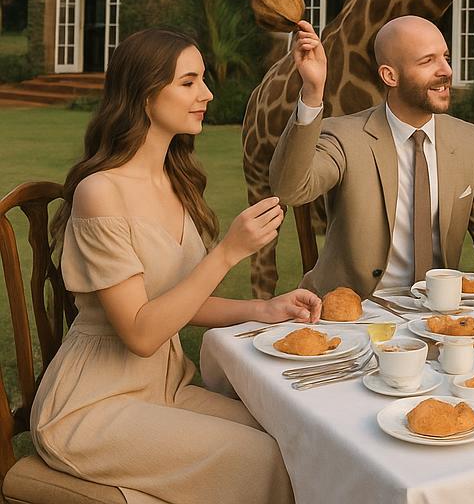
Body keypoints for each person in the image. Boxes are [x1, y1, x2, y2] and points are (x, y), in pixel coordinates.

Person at [31, 28, 318, 504]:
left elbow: (174, 302)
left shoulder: (175, 180)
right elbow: (142, 333)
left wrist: (263, 309)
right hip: (94, 405)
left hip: (167, 385)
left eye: (202, 80)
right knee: (261, 458)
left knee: (292, 436)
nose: (206, 94)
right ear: (145, 95)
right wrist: (229, 252)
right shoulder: (101, 192)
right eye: (188, 82)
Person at [270, 16, 474, 295]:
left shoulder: (470, 141)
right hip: (354, 315)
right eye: (427, 61)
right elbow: (290, 190)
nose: (446, 70)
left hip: (437, 310)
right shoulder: (344, 136)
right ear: (390, 76)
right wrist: (312, 93)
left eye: (445, 57)